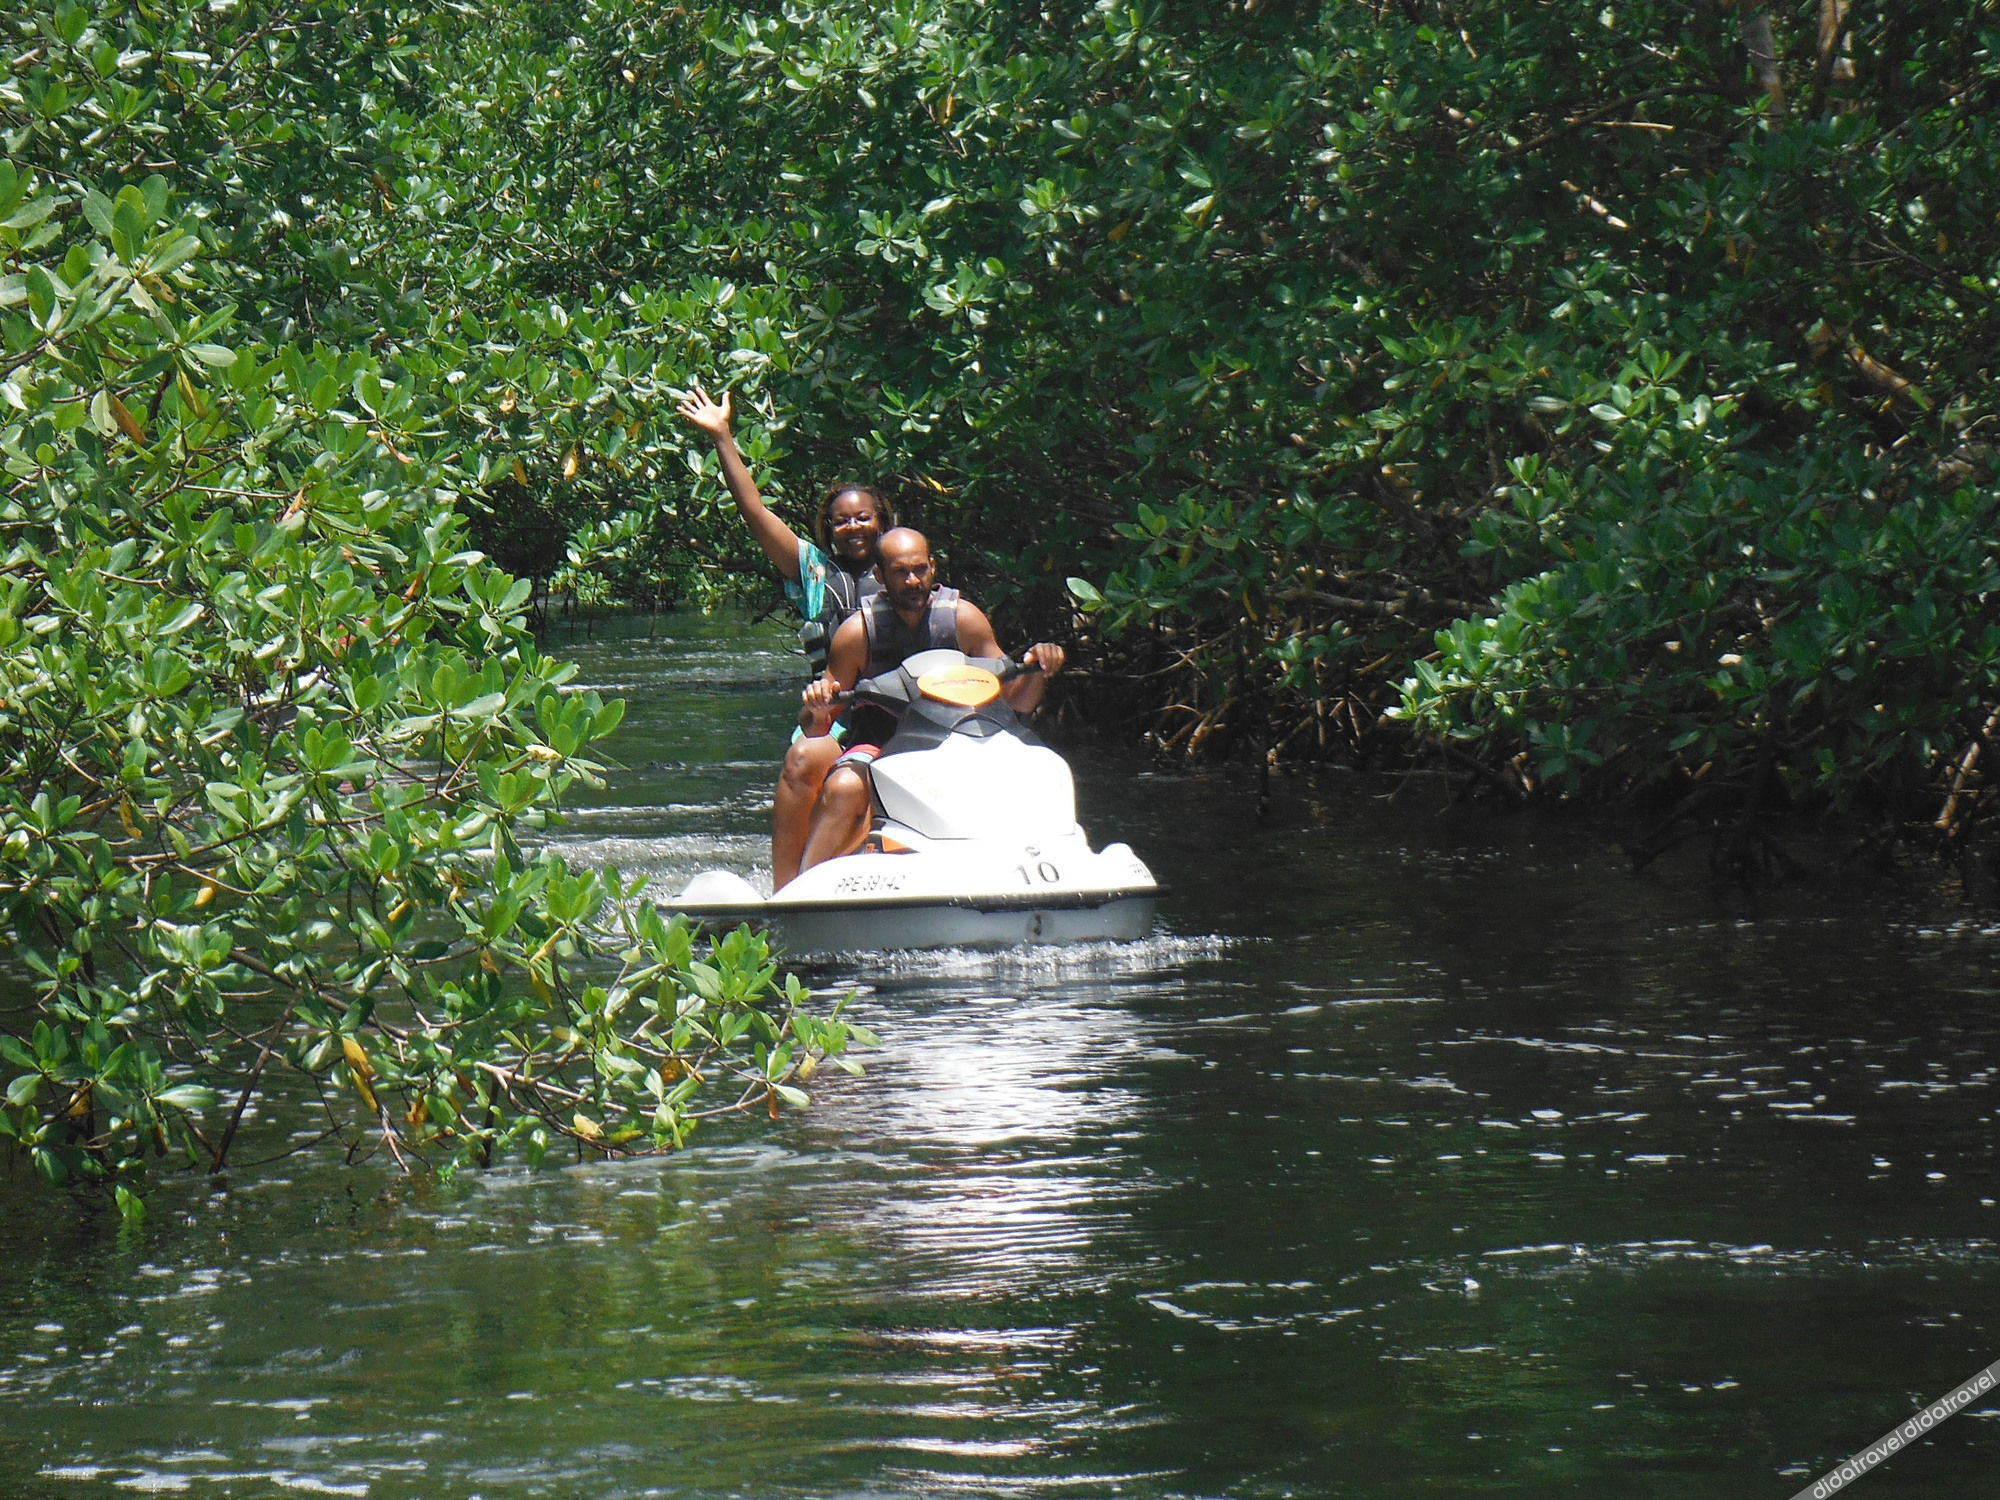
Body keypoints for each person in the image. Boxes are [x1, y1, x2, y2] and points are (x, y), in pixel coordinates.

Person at [676, 383, 893, 883]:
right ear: (827, 530)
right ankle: (786, 889)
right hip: (833, 716)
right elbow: (755, 512)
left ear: (883, 523)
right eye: (841, 522)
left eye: (864, 518)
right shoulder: (812, 571)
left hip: (903, 713)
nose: (853, 527)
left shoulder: (907, 574)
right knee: (804, 759)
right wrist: (722, 437)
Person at [789, 528, 1065, 881]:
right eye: (901, 572)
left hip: (963, 743)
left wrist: (1036, 669)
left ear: (932, 568)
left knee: (1034, 768)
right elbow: (818, 728)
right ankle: (807, 889)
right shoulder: (857, 633)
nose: (912, 581)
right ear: (880, 577)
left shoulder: (964, 619)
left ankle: (1038, 865)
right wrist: (817, 706)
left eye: (919, 570)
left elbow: (1016, 701)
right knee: (844, 787)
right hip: (881, 747)